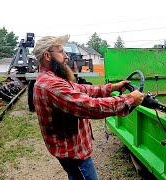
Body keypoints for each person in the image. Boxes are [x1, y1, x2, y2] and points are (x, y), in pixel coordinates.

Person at [32, 35, 144, 180]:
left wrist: (112, 88)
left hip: (69, 151)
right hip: (74, 154)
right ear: (47, 55)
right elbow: (90, 107)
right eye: (61, 52)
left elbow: (82, 89)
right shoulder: (52, 85)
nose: (66, 56)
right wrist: (130, 99)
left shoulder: (53, 79)